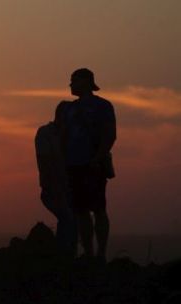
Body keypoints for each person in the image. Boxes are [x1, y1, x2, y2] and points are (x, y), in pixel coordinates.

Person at [64, 68, 116, 262]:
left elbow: (110, 135)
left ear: (85, 82)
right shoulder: (69, 109)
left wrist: (97, 158)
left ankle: (100, 253)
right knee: (80, 211)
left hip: (94, 165)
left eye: (74, 81)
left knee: (99, 209)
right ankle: (89, 253)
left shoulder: (102, 106)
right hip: (74, 165)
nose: (70, 85)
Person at [35, 102, 77, 257]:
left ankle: (67, 257)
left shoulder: (70, 135)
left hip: (69, 188)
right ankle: (62, 257)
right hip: (53, 188)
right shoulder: (45, 133)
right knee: (68, 220)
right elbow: (45, 162)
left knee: (71, 221)